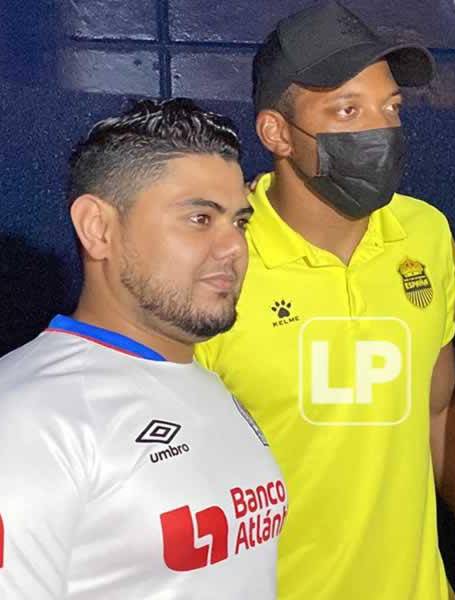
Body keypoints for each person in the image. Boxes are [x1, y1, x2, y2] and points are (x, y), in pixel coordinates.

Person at [194, 2, 455, 599]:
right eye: (347, 110)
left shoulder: (425, 235)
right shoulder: (216, 261)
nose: (378, 130)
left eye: (390, 108)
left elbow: (437, 412)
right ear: (276, 132)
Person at [0, 98, 286, 599]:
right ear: (98, 227)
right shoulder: (26, 418)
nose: (234, 248)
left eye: (239, 222)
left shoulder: (207, 384)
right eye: (200, 218)